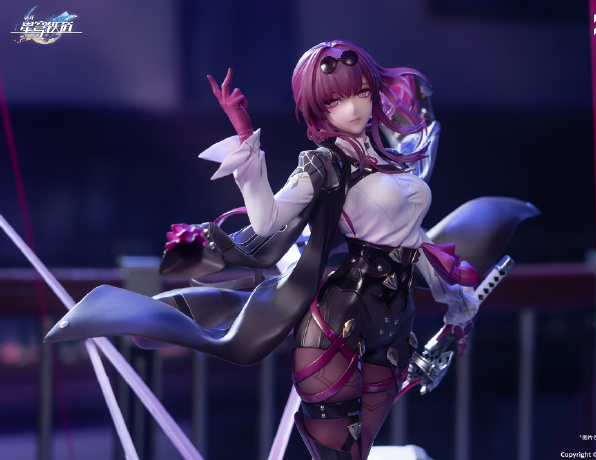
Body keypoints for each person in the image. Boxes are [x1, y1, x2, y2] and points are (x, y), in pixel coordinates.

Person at [47, 40, 537, 459]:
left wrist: (455, 298)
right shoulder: (322, 166)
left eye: (361, 93)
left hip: (394, 325)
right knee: (338, 452)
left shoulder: (390, 162)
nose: (353, 108)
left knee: (360, 448)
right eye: (336, 100)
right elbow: (267, 222)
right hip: (337, 322)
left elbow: (415, 243)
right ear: (318, 109)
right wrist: (246, 142)